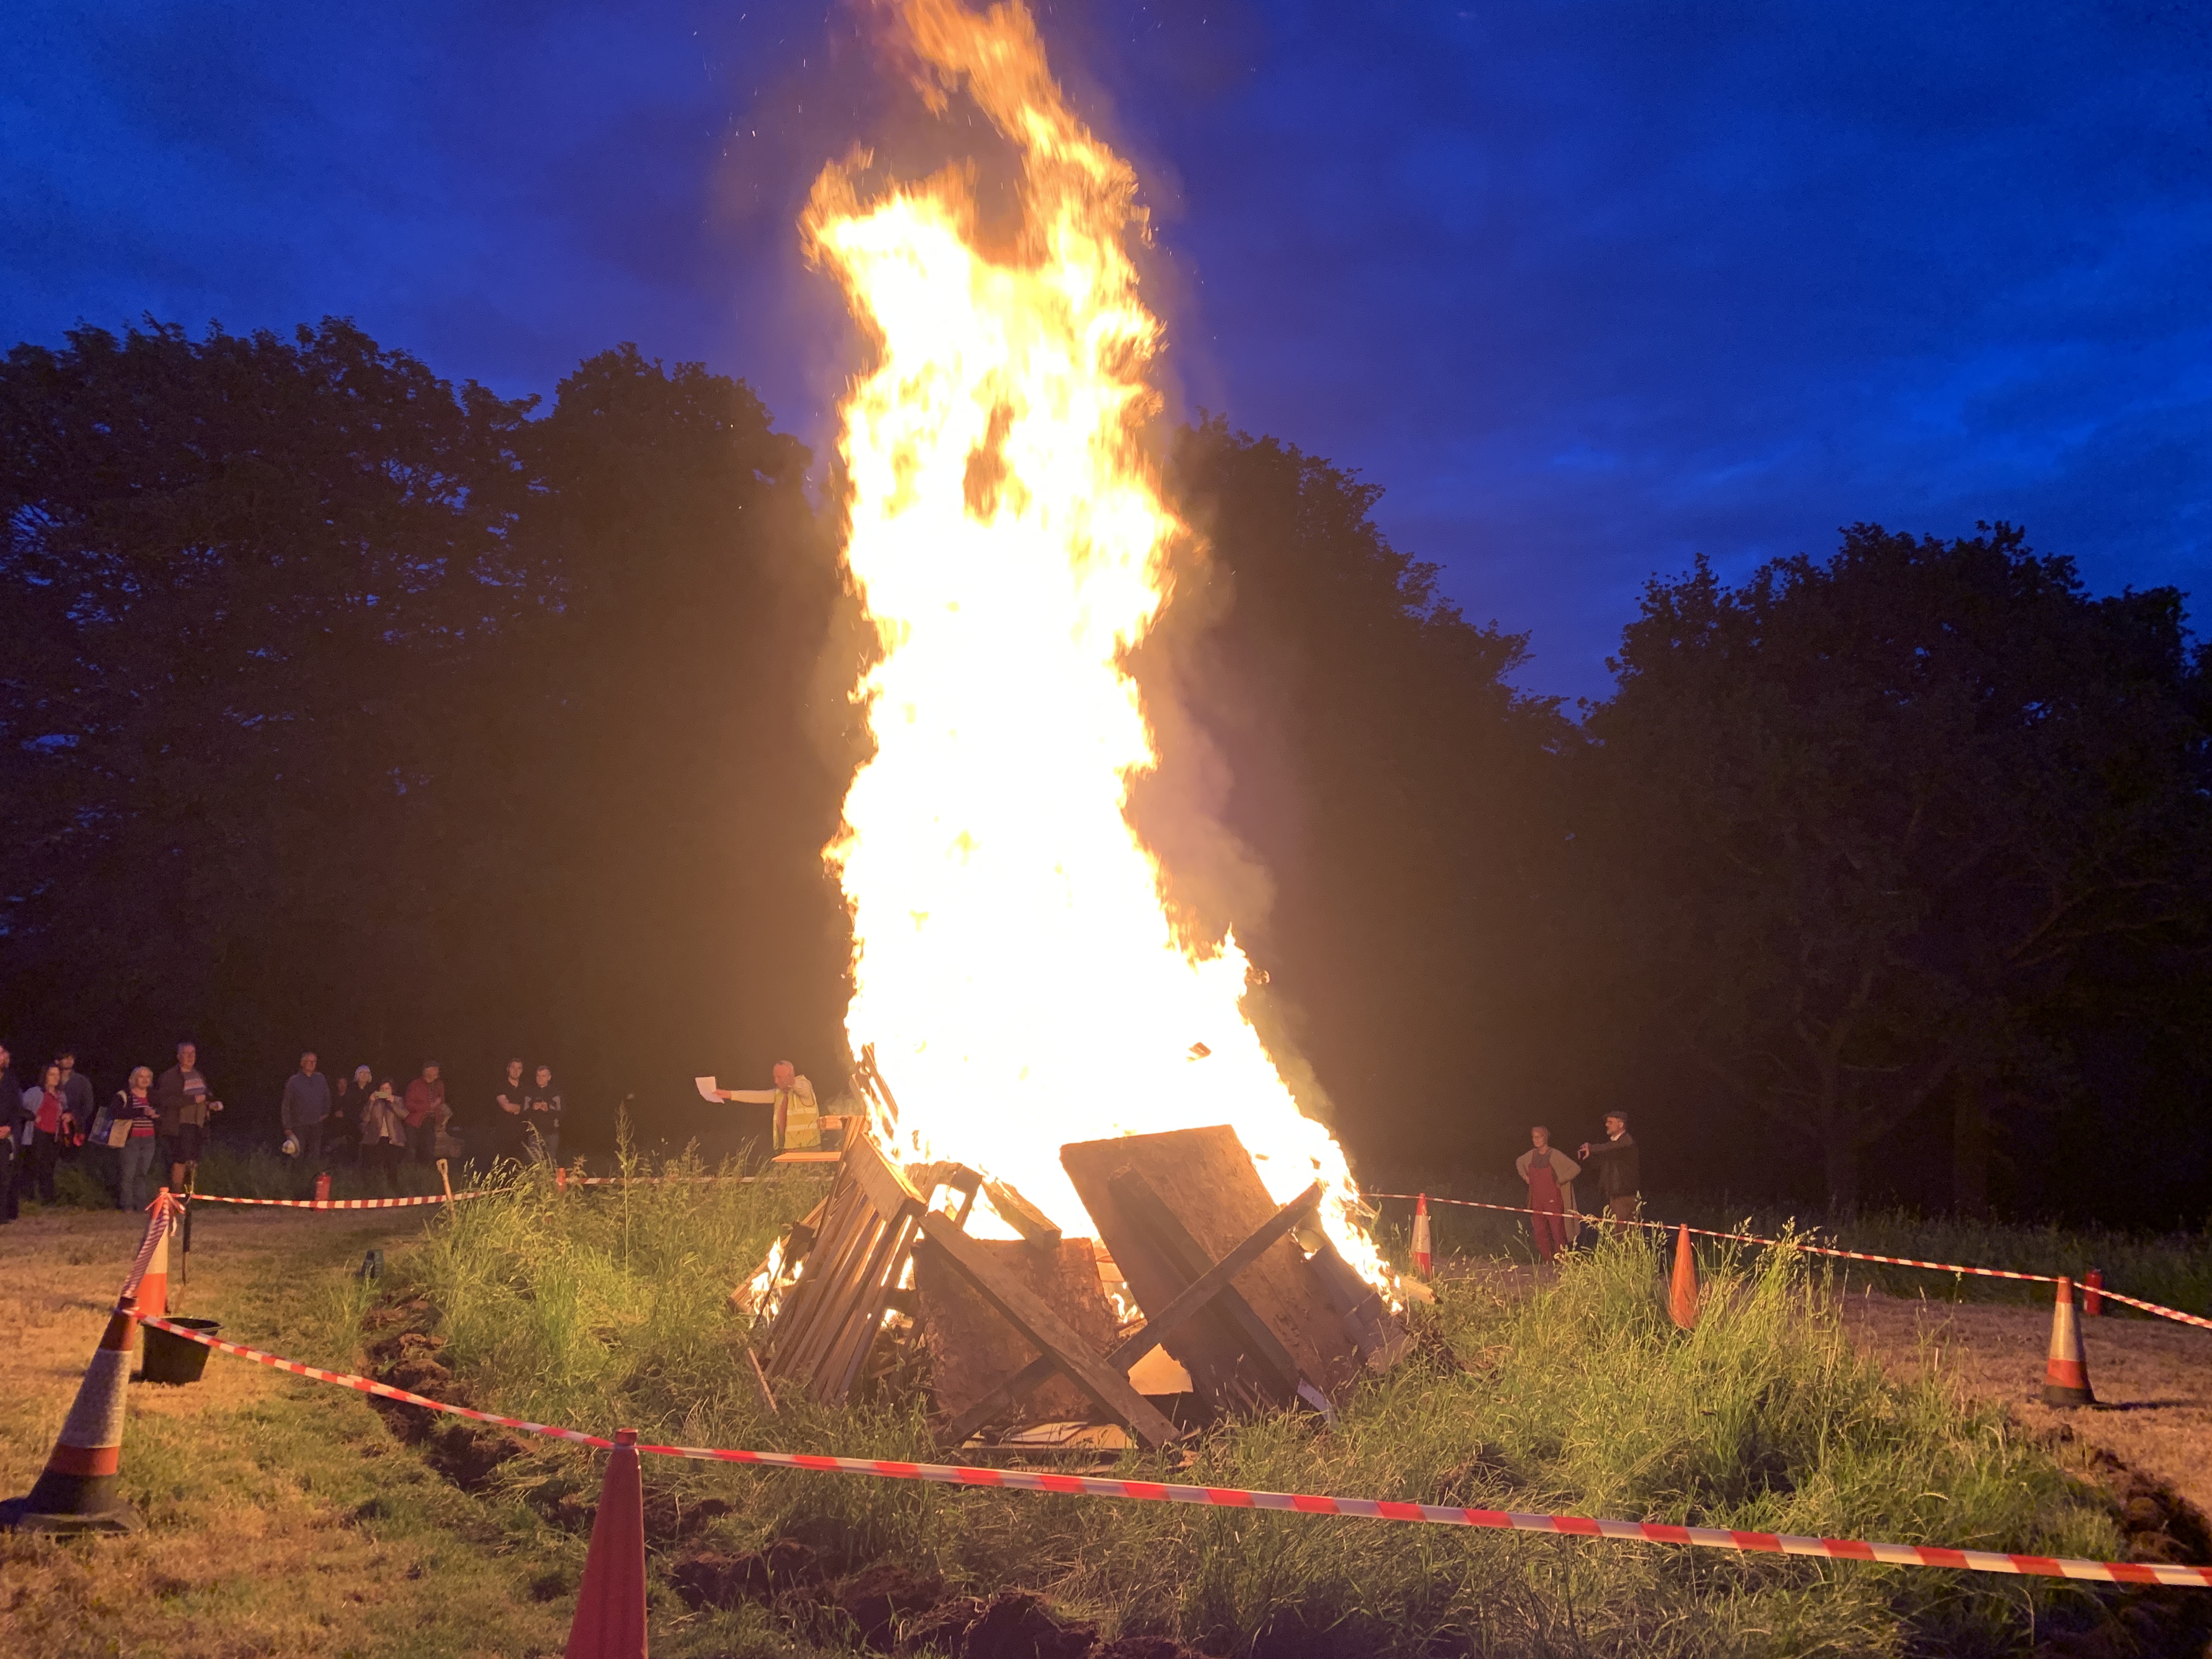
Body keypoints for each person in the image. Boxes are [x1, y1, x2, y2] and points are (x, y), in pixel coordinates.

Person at [155, 1040, 223, 1193]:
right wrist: (192, 1100)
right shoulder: (171, 1076)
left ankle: (189, 1196)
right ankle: (176, 1196)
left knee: (194, 1162)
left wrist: (211, 1105)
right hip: (180, 1124)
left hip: (199, 1124)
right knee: (180, 1161)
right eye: (186, 1053)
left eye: (193, 1053)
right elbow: (165, 1100)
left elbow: (204, 1097)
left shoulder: (199, 1075)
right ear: (179, 1056)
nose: (190, 1056)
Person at [714, 1061, 820, 1153]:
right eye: (775, 1077)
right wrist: (729, 1094)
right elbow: (757, 1096)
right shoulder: (780, 1094)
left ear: (790, 1076)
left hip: (808, 1149)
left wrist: (792, 1081)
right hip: (786, 1149)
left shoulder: (806, 1090)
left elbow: (802, 1088)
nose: (776, 1081)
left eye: (779, 1077)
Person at [1515, 1126, 1583, 1262]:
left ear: (1545, 1138)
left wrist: (1561, 1180)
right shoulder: (1531, 1155)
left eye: (1539, 1136)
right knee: (1540, 1231)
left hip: (1553, 1199)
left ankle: (1563, 1261)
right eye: (1534, 1137)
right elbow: (1519, 1162)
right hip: (1536, 1200)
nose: (1536, 1140)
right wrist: (1525, 1177)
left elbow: (1576, 1168)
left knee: (1558, 1231)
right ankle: (1548, 1260)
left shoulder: (1555, 1154)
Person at [22, 1063, 74, 1205]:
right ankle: (28, 1197)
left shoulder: (60, 1095)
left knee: (49, 1166)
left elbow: (65, 1109)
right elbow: (20, 1108)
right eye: (52, 1075)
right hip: (38, 1133)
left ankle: (48, 1197)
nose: (56, 1078)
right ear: (45, 1076)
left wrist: (68, 1115)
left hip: (54, 1134)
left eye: (58, 1075)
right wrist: (32, 1116)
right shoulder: (36, 1092)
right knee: (33, 1165)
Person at [111, 1066, 162, 1211]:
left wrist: (157, 1116)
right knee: (128, 1173)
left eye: (148, 1077)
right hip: (130, 1139)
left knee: (142, 1173)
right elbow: (115, 1112)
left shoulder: (153, 1095)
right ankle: (127, 1206)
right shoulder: (124, 1095)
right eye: (141, 1076)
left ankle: (141, 1206)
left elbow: (162, 1111)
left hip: (149, 1138)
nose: (145, 1080)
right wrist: (141, 1111)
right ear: (134, 1079)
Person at [1578, 1111, 1641, 1224]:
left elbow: (1609, 1148)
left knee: (1622, 1233)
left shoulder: (1626, 1142)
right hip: (1614, 1196)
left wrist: (1591, 1148)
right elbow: (1599, 1162)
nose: (1607, 1125)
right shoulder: (1613, 1146)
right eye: (1607, 1122)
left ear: (1621, 1125)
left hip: (1624, 1196)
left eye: (1610, 1122)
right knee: (1615, 1231)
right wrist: (1587, 1155)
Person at [280, 1051, 332, 1171]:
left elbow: (327, 1097)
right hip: (299, 1124)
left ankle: (311, 1178)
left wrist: (326, 1113)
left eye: (314, 1062)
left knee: (315, 1154)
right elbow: (286, 1104)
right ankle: (294, 1179)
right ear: (302, 1063)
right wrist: (287, 1126)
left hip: (316, 1124)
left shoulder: (320, 1079)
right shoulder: (294, 1081)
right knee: (298, 1154)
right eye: (309, 1061)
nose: (312, 1064)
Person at [359, 1078, 406, 1187]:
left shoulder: (398, 1100)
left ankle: (394, 1188)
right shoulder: (375, 1101)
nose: (385, 1091)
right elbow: (365, 1118)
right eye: (382, 1089)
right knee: (374, 1164)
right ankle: (372, 1187)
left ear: (392, 1090)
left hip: (393, 1138)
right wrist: (371, 1102)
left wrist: (392, 1103)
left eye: (387, 1089)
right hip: (377, 1137)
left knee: (392, 1165)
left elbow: (404, 1115)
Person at [0, 1041, 27, 1223]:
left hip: (5, 1135)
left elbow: (16, 1107)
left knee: (4, 1176)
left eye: (4, 1053)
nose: (4, 1056)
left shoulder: (11, 1081)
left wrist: (8, 1127)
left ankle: (3, 1214)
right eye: (1, 1053)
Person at [402, 1062, 447, 1166]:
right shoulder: (416, 1085)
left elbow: (441, 1099)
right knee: (412, 1148)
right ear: (427, 1071)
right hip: (415, 1121)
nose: (437, 1072)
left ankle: (427, 1172)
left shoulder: (439, 1085)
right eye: (435, 1069)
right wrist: (428, 1106)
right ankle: (410, 1171)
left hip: (430, 1121)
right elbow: (409, 1104)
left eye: (437, 1069)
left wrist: (438, 1104)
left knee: (429, 1148)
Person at [521, 1064, 562, 1165]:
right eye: (538, 1076)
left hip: (551, 1133)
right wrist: (533, 1108)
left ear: (549, 1077)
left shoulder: (556, 1093)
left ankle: (550, 1180)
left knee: (551, 1162)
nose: (540, 1078)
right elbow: (524, 1112)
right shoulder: (530, 1092)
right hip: (534, 1134)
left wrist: (548, 1109)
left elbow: (562, 1113)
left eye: (543, 1076)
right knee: (535, 1163)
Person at [495, 1058, 528, 1158]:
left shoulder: (526, 1088)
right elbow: (506, 1107)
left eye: (519, 1068)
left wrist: (518, 1109)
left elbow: (531, 1108)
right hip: (504, 1134)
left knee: (521, 1166)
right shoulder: (501, 1086)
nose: (516, 1071)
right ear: (508, 1069)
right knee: (504, 1166)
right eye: (513, 1067)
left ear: (522, 1071)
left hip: (522, 1134)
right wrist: (523, 1108)